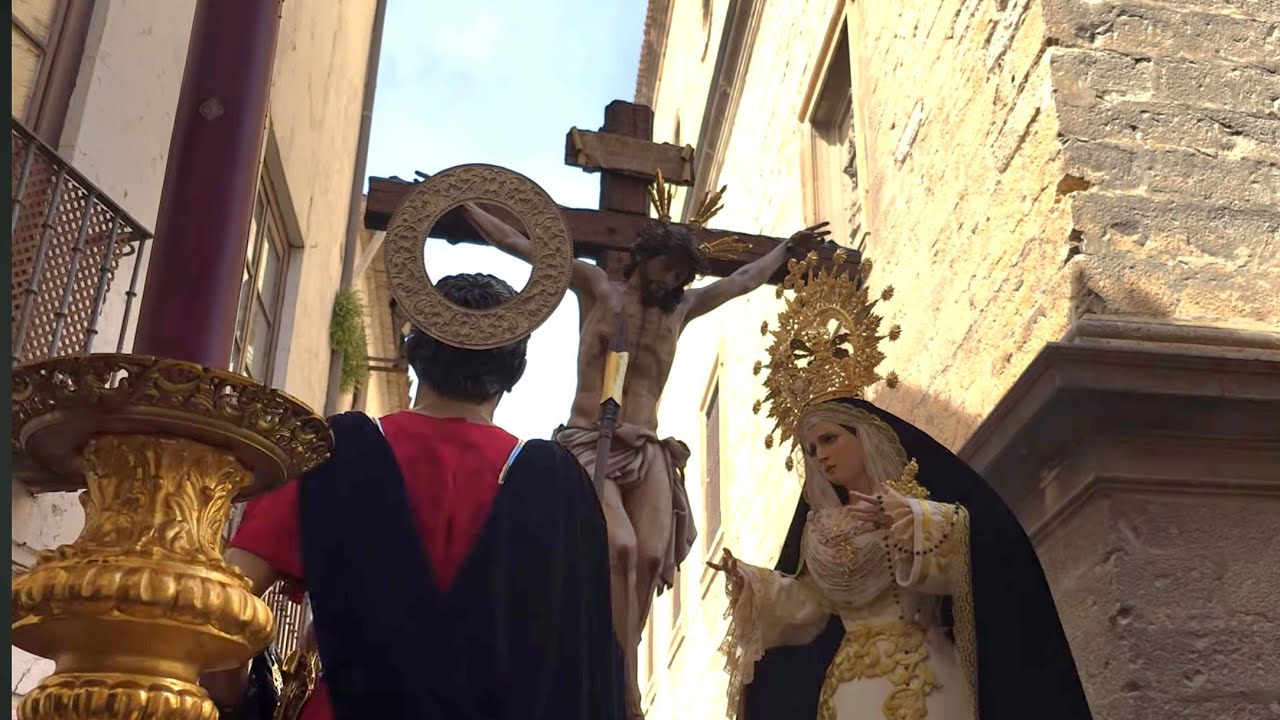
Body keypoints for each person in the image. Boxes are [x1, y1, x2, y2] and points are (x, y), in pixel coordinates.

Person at [460, 194, 829, 718]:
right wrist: (467, 207)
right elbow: (525, 246)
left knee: (653, 556)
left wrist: (785, 251)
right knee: (621, 546)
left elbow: (742, 281)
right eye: (667, 267)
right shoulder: (596, 287)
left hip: (646, 447)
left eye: (682, 274)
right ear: (642, 257)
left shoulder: (682, 309)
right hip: (590, 439)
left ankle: (614, 657)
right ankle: (619, 680)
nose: (674, 280)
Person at [203, 273, 624, 720]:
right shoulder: (558, 485)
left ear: (411, 351)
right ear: (516, 372)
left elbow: (217, 610)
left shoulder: (326, 452)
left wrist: (241, 700)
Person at [709, 254, 1093, 720]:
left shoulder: (912, 501)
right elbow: (812, 609)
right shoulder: (819, 528)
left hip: (922, 676)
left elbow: (982, 558)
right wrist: (754, 586)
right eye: (810, 449)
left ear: (863, 436)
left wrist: (912, 522)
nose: (821, 456)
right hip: (846, 690)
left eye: (829, 439)